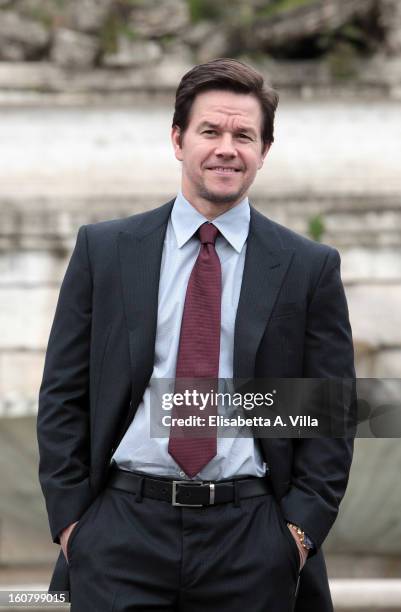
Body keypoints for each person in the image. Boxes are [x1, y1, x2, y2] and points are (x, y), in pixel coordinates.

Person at [37, 57, 355, 612]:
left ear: (264, 151)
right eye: (210, 131)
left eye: (244, 135)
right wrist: (72, 524)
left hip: (251, 537)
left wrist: (298, 535)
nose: (227, 147)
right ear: (178, 140)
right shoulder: (105, 251)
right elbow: (63, 394)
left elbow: (331, 412)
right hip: (121, 531)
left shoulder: (308, 266)